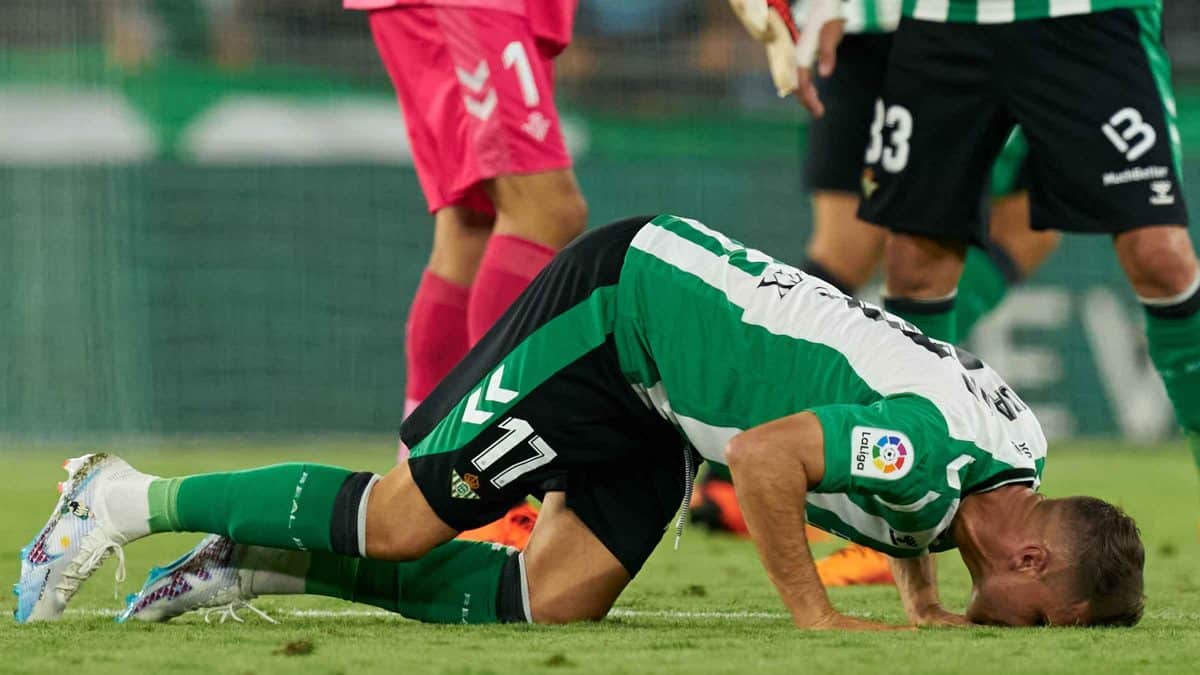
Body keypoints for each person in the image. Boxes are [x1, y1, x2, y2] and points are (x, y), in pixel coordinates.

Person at [17, 215, 1143, 629]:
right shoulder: (946, 456)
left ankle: (266, 560)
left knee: (550, 597)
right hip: (622, 318)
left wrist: (927, 596)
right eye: (1040, 619)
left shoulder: (1013, 455)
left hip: (667, 390)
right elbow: (767, 461)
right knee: (407, 521)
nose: (1024, 634)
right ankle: (114, 497)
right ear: (1037, 555)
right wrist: (815, 618)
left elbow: (913, 495)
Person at [712, 0, 1061, 587]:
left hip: (883, 35)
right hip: (920, 39)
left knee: (871, 243)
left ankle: (768, 459)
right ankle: (780, 458)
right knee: (891, 243)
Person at [787, 2, 1200, 478]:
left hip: (1086, 18)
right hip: (937, 24)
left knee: (1156, 255)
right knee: (891, 259)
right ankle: (889, 511)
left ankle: (824, 424)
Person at [346, 0, 588, 434]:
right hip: (471, 7)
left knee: (473, 230)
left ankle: (425, 478)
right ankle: (479, 466)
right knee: (546, 209)